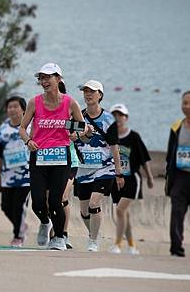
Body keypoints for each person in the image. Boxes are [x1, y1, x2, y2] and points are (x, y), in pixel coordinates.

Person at [19, 63, 90, 250]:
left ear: (58, 79)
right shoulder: (34, 102)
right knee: (38, 202)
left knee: (56, 200)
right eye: (41, 78)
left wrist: (77, 134)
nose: (44, 81)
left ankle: (59, 238)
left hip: (61, 157)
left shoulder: (70, 102)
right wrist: (28, 141)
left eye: (47, 77)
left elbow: (83, 128)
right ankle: (44, 221)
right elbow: (22, 128)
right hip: (39, 156)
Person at [74, 80, 124, 252]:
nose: (87, 94)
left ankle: (93, 241)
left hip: (104, 168)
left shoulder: (109, 119)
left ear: (100, 95)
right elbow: (73, 138)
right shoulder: (78, 116)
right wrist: (79, 135)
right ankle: (93, 234)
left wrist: (118, 172)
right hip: (83, 168)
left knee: (94, 203)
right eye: (85, 91)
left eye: (92, 91)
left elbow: (114, 146)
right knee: (84, 210)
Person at [108, 103, 153, 254]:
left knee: (120, 211)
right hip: (114, 179)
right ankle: (132, 245)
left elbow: (144, 158)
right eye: (114, 115)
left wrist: (150, 177)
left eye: (120, 115)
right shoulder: (109, 136)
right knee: (123, 213)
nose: (117, 118)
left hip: (132, 179)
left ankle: (117, 244)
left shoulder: (133, 136)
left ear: (126, 118)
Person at [165, 90, 190, 258]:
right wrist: (169, 180)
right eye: (185, 103)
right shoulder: (176, 127)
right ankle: (176, 249)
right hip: (180, 177)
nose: (188, 106)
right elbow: (169, 155)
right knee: (177, 214)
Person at [0, 96, 30, 247]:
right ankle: (22, 227)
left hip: (27, 175)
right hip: (8, 175)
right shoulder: (2, 129)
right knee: (6, 206)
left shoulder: (30, 127)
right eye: (9, 107)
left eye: (16, 106)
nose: (12, 110)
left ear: (23, 110)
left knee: (18, 205)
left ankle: (18, 236)